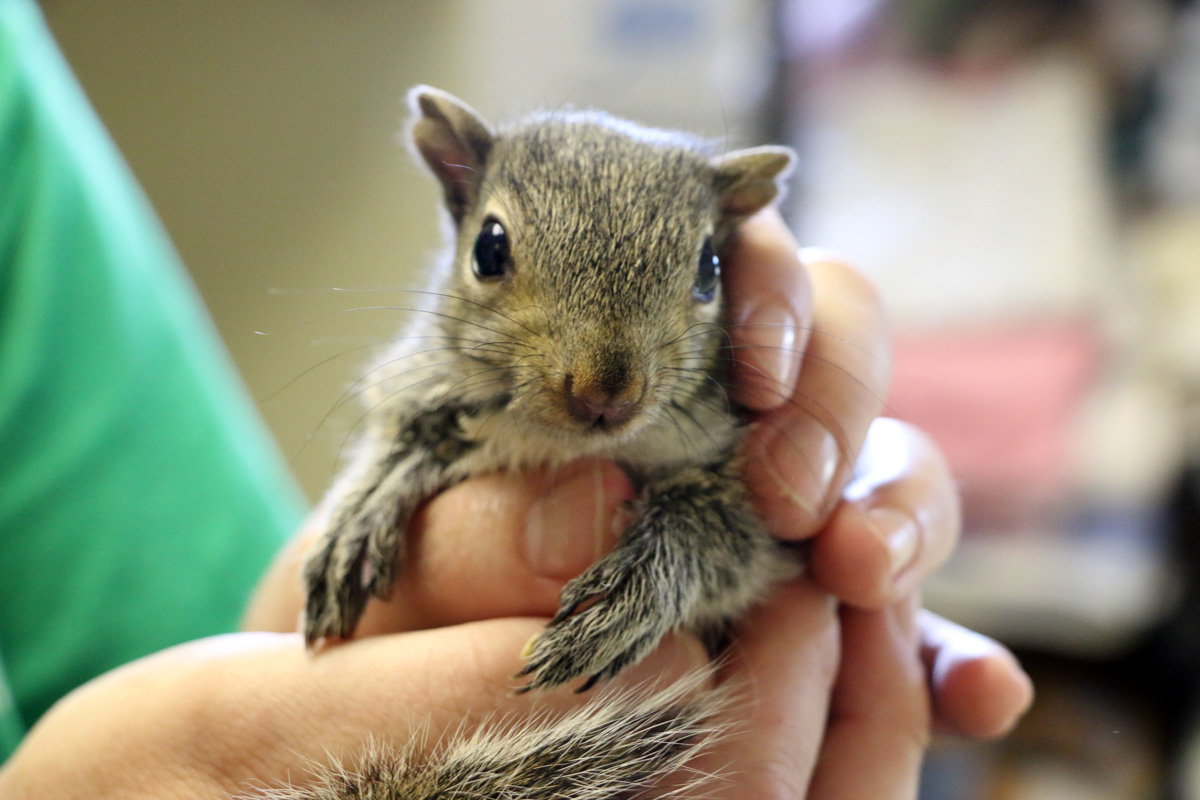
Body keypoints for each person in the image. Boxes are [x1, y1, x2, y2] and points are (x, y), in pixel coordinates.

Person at [0, 1, 1032, 797]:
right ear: (460, 199)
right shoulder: (432, 391)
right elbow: (397, 446)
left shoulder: (720, 400)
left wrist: (684, 558)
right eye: (501, 255)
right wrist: (377, 500)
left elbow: (226, 648)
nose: (603, 381)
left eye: (700, 282)